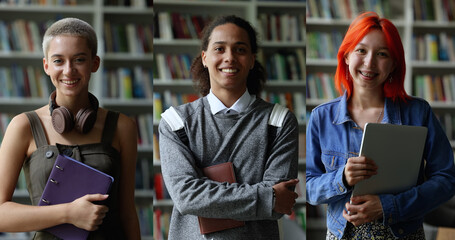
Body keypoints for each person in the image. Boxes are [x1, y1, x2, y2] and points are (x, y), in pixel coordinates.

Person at [306, 11, 455, 239]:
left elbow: (446, 179)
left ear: (394, 64)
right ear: (346, 55)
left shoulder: (418, 112)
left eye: (382, 54)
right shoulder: (321, 118)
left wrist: (389, 206)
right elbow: (309, 188)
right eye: (361, 50)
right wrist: (342, 178)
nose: (369, 63)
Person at [158, 15, 299, 239]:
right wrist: (266, 198)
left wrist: (207, 196)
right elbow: (186, 197)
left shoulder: (280, 121)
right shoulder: (175, 123)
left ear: (252, 60)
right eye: (219, 49)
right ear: (204, 58)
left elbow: (280, 205)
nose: (230, 58)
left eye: (240, 50)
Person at [0, 18, 141, 239]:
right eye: (58, 61)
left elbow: (127, 213)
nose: (69, 70)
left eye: (79, 60)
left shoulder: (122, 126)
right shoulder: (23, 126)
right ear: (46, 66)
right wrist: (68, 213)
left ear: (94, 63)